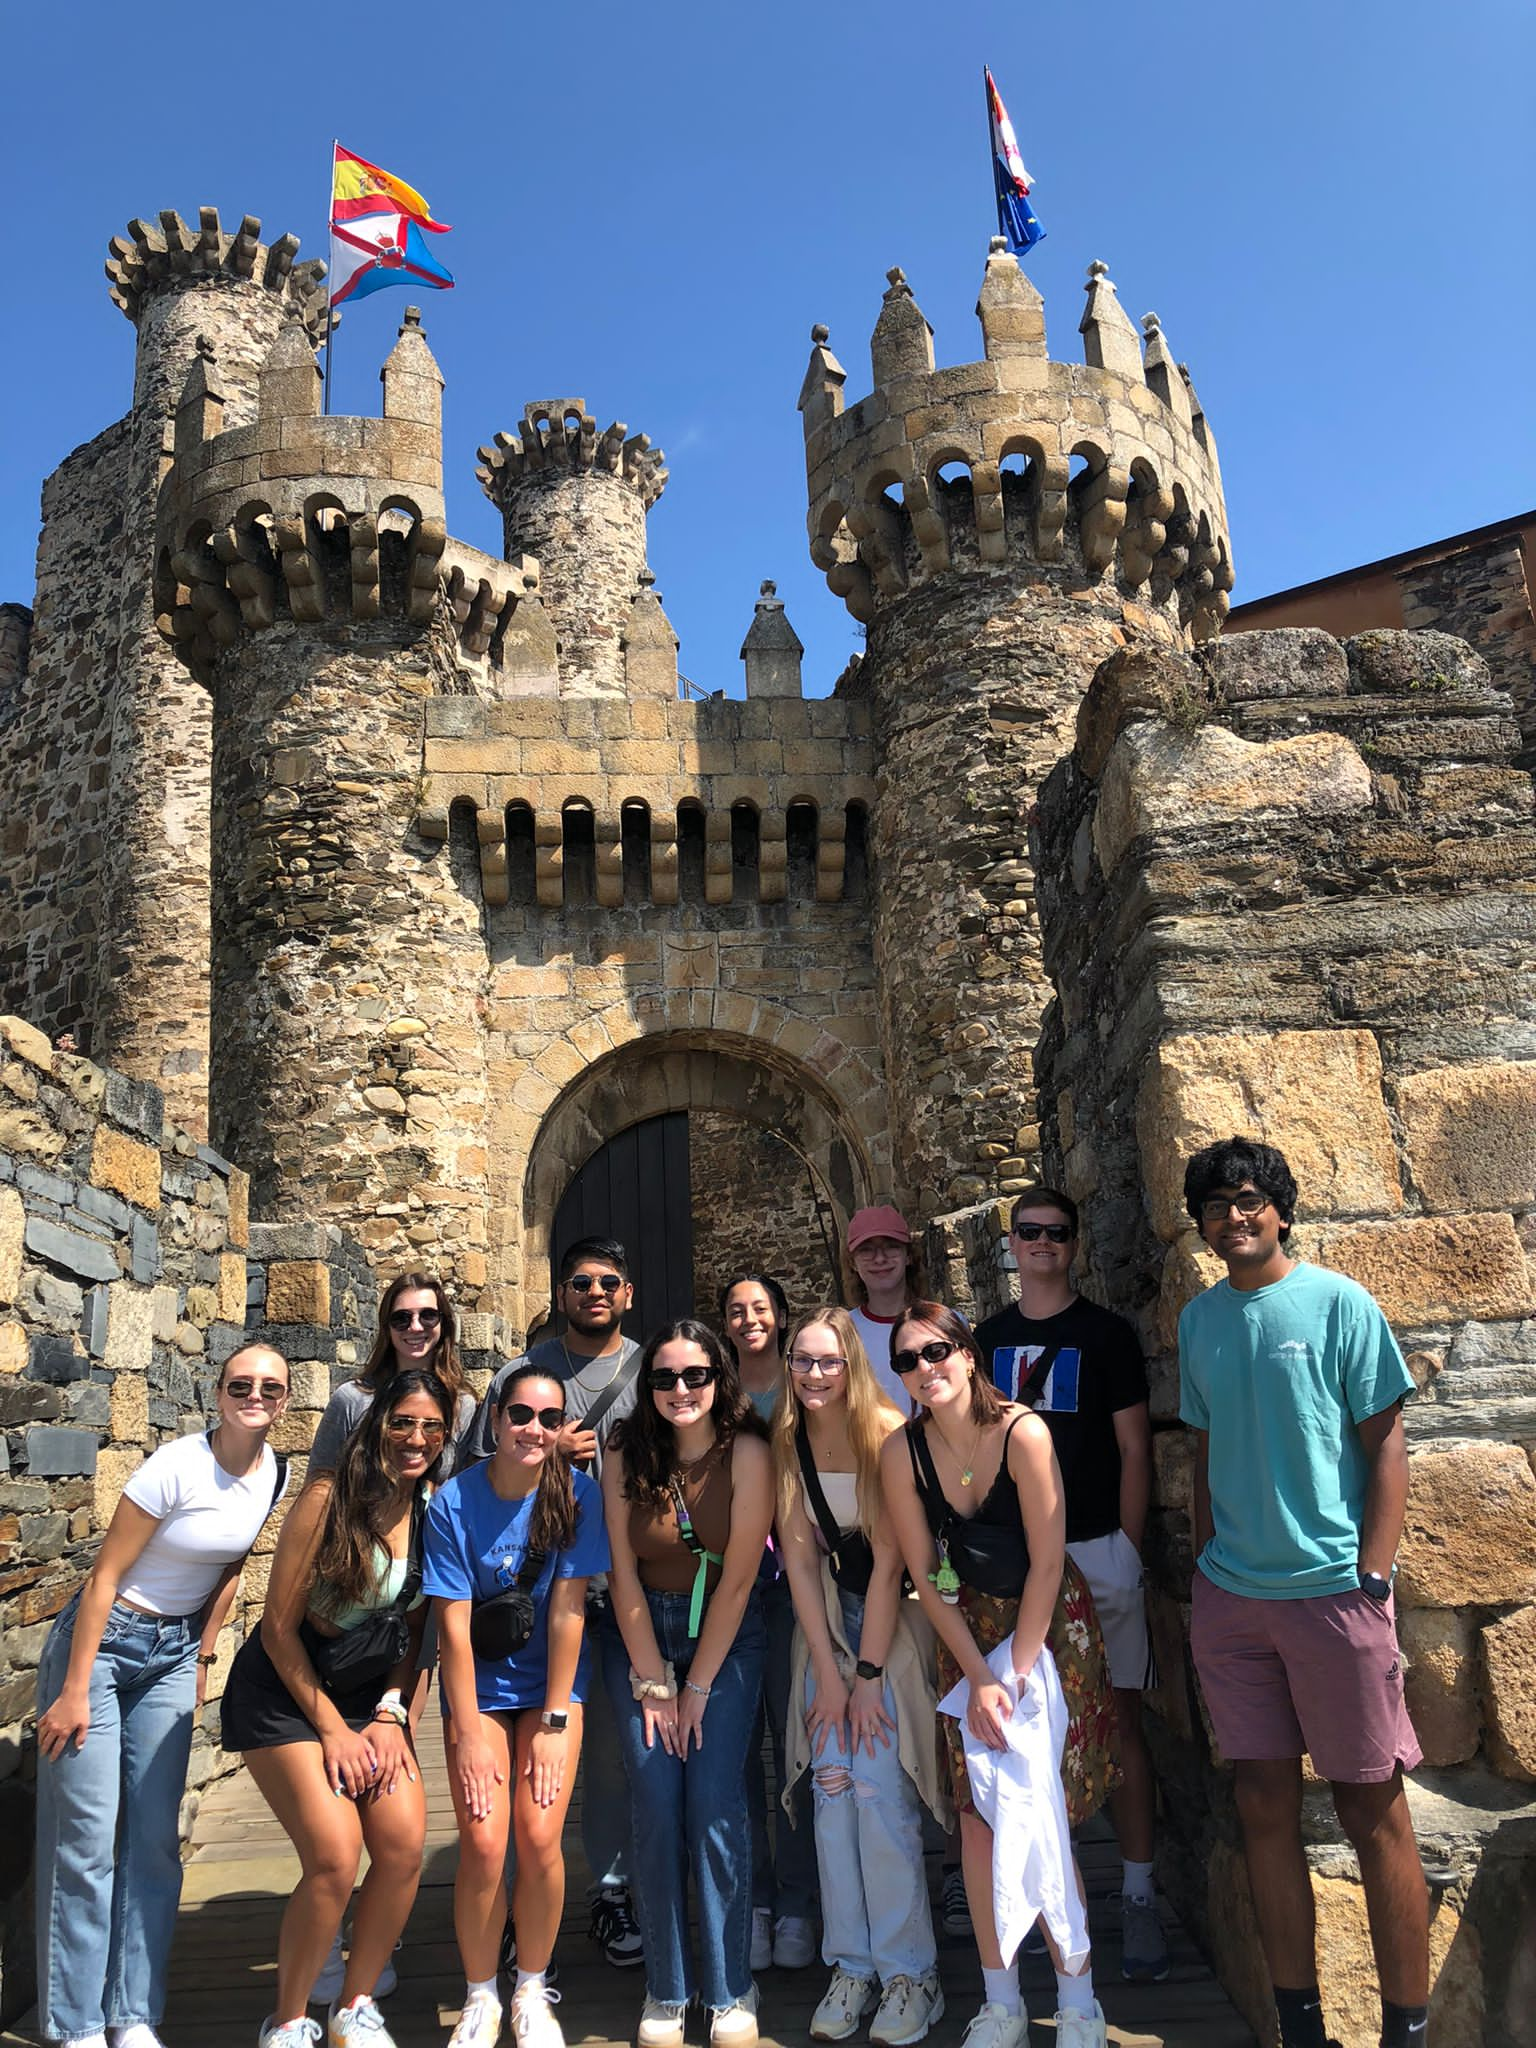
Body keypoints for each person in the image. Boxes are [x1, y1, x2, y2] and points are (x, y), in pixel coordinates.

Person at [1179, 1137, 1427, 2048]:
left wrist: (1374, 1576)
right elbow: (1202, 1456)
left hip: (1333, 1593)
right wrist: (1208, 1576)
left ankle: (1407, 2030)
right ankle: (1301, 2028)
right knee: (1261, 1806)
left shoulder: (1339, 1303)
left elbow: (1386, 1446)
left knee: (1371, 1807)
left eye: (1248, 1198)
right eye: (1215, 1204)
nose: (1233, 1215)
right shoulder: (1199, 1320)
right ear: (1202, 1226)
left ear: (1279, 1207)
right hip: (1233, 1602)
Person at [34, 1345, 292, 2048]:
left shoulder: (273, 1471)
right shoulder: (174, 1466)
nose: (255, 1395)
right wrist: (73, 1689)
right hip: (103, 1647)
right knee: (87, 1842)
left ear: (286, 1400)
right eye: (241, 1384)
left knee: (154, 1841)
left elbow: (230, 1567)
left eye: (270, 1386)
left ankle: (133, 2013)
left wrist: (203, 1655)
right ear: (218, 1393)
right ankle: (77, 2022)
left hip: (173, 1653)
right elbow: (104, 1579)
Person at [880, 1302, 1118, 2048]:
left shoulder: (1023, 1433)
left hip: (1046, 1630)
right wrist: (980, 1676)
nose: (926, 1369)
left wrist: (1013, 1671)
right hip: (968, 1634)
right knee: (980, 1821)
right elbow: (924, 1572)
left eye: (938, 1351)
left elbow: (1049, 1559)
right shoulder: (903, 1452)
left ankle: (1078, 1999)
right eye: (908, 1360)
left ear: (969, 1352)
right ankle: (1002, 1999)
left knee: (1041, 1807)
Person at [221, 1369, 451, 2048]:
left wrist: (390, 1713)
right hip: (287, 1693)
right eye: (403, 1422)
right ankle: (288, 2020)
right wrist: (332, 1731)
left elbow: (412, 1632)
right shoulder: (328, 1499)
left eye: (432, 1427)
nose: (416, 1439)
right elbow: (277, 1629)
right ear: (375, 1423)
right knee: (333, 1853)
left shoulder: (433, 1508)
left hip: (367, 1698)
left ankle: (355, 2007)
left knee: (405, 1846)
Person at [974, 1187, 1168, 1984]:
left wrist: (1125, 1544)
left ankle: (1138, 1892)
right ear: (1011, 1244)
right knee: (1018, 1727)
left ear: (1074, 1243)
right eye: (1029, 1232)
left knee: (1118, 1723)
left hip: (1095, 1546)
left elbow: (1132, 1447)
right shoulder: (986, 1341)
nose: (1043, 1243)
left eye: (1056, 1232)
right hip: (1016, 1565)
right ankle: (1035, 1908)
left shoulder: (1107, 1334)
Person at [467, 1235, 646, 1970]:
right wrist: (543, 1454)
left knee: (607, 1759)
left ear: (627, 1293)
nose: (594, 1292)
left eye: (608, 1280)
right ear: (559, 1292)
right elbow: (476, 1466)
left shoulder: (650, 1370)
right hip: (537, 1602)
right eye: (579, 1282)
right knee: (516, 1764)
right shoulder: (523, 1373)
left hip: (625, 1589)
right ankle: (510, 1910)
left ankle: (609, 1891)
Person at [425, 1363, 611, 2048]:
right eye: (522, 1415)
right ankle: (482, 1995)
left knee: (536, 1839)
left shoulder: (577, 1494)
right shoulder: (452, 1502)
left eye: (551, 1418)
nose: (536, 1429)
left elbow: (567, 1614)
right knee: (481, 1842)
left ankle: (531, 1984)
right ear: (497, 1420)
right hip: (480, 1686)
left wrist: (556, 1723)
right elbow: (450, 1625)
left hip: (550, 1687)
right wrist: (469, 1732)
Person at [773, 1308, 946, 2047]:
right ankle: (853, 1966)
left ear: (851, 1363)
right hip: (826, 1632)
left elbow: (889, 1564)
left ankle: (912, 1972)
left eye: (828, 1362)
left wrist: (866, 1674)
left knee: (878, 1790)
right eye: (802, 1361)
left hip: (889, 1625)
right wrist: (827, 1670)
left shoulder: (882, 1431)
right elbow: (802, 1561)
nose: (814, 1376)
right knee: (832, 1789)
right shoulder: (788, 1440)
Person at [601, 1319, 774, 2048]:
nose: (680, 1390)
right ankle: (668, 1990)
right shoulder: (623, 1454)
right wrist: (653, 1684)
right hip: (640, 1636)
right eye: (665, 1377)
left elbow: (737, 1583)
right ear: (648, 1387)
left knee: (711, 1800)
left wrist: (695, 1687)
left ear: (718, 1379)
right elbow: (621, 1573)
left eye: (695, 1375)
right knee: (655, 1797)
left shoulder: (751, 1454)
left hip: (724, 1642)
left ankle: (730, 1987)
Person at [305, 1273, 478, 1999]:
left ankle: (380, 1931)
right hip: (349, 1608)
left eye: (429, 1316)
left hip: (419, 1606)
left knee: (391, 1754)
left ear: (446, 1324)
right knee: (336, 1796)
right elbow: (318, 1491)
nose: (417, 1326)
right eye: (403, 1316)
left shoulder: (466, 1407)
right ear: (386, 1322)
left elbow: (465, 1495)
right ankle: (330, 1938)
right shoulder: (351, 1401)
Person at [720, 1270, 818, 1973]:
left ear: (781, 1316)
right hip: (728, 1584)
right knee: (737, 1750)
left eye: (760, 1307)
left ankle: (800, 1904)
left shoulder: (805, 1380)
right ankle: (753, 1902)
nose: (749, 1318)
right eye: (736, 1310)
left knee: (796, 1748)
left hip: (794, 1586)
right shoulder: (713, 1388)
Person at [841, 1206, 922, 1415]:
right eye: (866, 1249)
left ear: (909, 1256)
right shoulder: (841, 1334)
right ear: (852, 1262)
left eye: (891, 1246)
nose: (879, 1258)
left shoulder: (947, 1323)